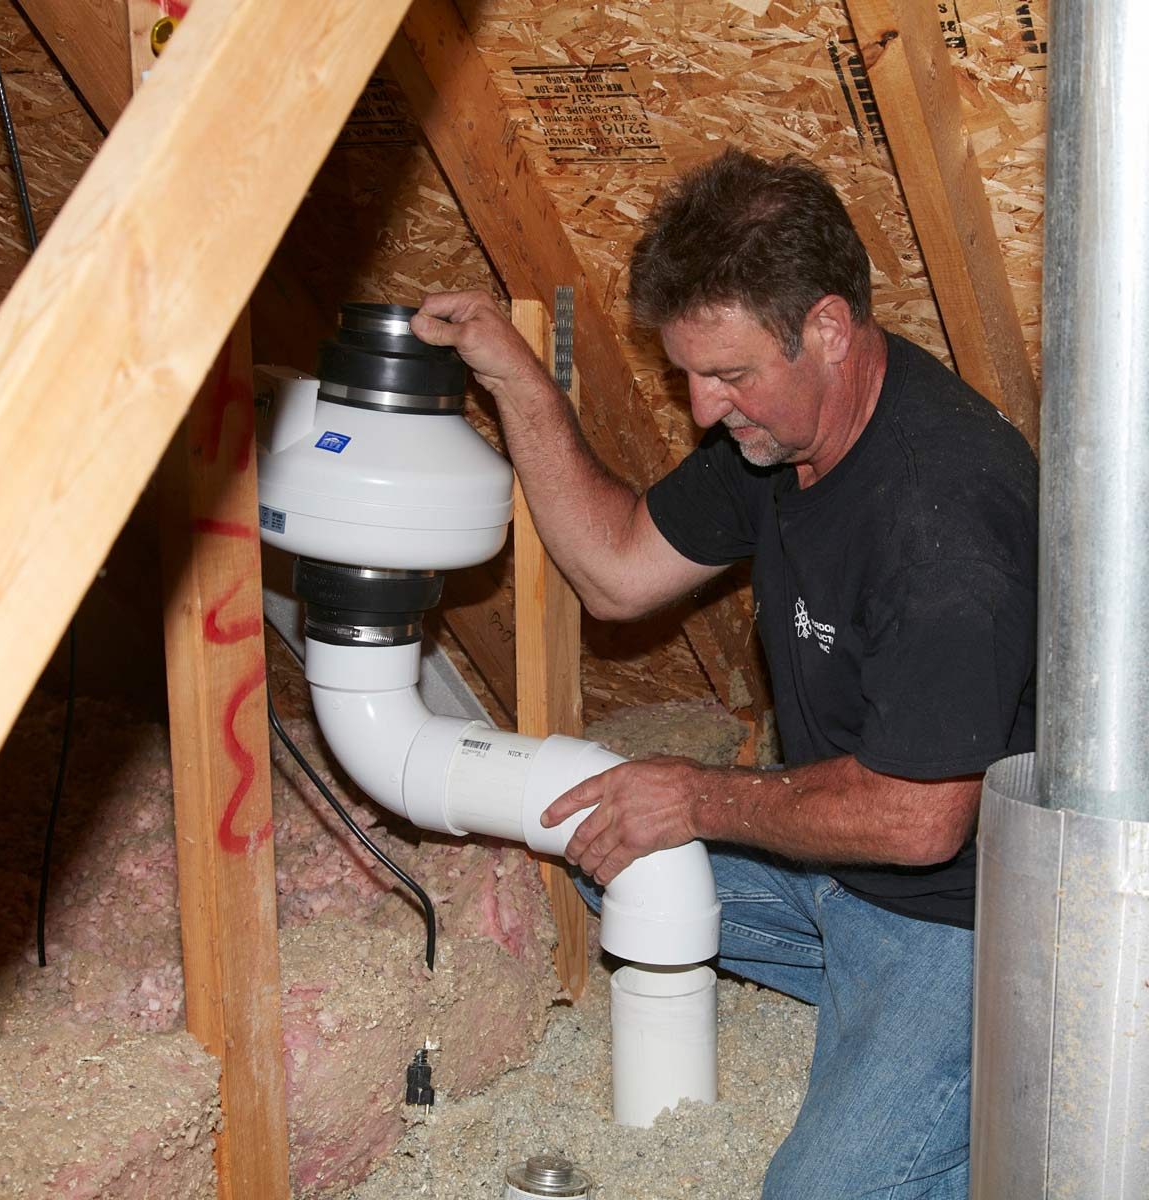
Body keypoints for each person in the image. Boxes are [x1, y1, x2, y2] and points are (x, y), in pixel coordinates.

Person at [410, 149, 1037, 1200]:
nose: (703, 409)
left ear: (829, 330)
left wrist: (701, 798)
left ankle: (1005, 1079)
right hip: (841, 875)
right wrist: (516, 376)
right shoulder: (785, 438)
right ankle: (878, 1016)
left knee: (818, 1194)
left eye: (730, 375)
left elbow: (921, 820)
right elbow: (613, 569)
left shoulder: (943, 523)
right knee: (595, 838)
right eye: (690, 374)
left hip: (967, 918)